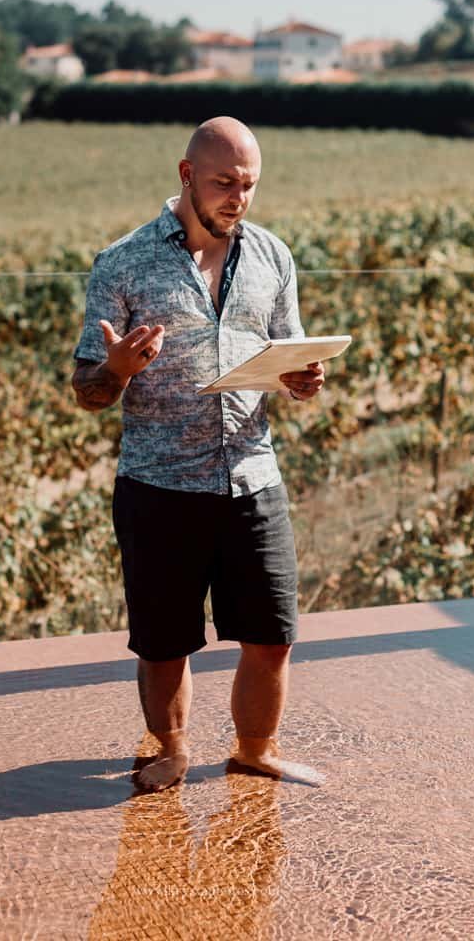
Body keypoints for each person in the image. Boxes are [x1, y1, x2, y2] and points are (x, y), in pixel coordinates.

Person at [72, 116, 325, 791]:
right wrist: (116, 370)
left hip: (252, 474)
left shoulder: (272, 256)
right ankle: (169, 750)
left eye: (249, 185)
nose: (238, 198)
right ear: (187, 176)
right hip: (158, 485)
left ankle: (255, 751)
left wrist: (300, 379)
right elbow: (88, 390)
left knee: (273, 634)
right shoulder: (122, 262)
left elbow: (287, 352)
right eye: (224, 183)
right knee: (164, 643)